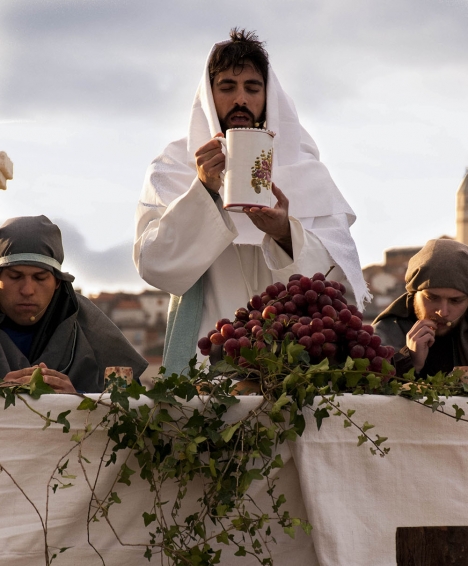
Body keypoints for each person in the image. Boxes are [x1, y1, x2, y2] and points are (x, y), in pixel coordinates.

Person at [134, 28, 369, 374]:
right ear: (209, 95)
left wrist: (285, 234)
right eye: (227, 87)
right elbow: (154, 265)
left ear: (267, 96)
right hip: (206, 364)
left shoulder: (305, 170)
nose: (240, 99)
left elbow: (334, 281)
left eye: (252, 88)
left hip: (293, 370)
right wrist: (203, 191)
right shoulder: (173, 167)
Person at [0, 215, 148, 392]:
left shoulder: (95, 332)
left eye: (40, 278)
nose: (27, 290)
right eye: (15, 276)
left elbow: (127, 408)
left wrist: (75, 403)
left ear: (57, 283)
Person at [373, 238, 468, 377]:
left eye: (455, 301)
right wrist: (409, 362)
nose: (443, 312)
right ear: (414, 293)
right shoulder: (383, 337)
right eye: (432, 298)